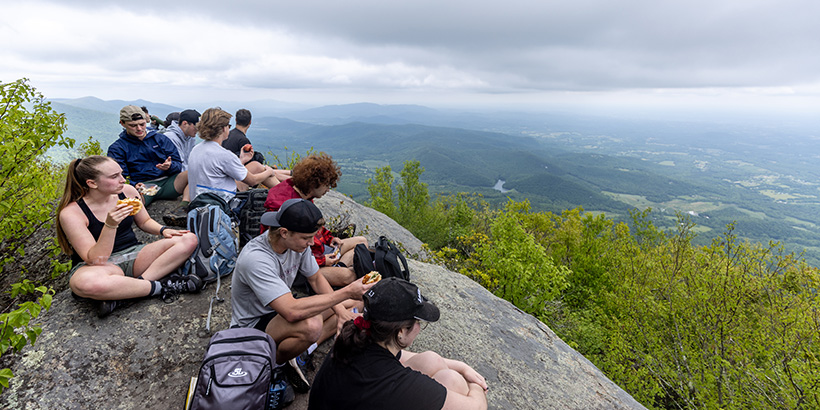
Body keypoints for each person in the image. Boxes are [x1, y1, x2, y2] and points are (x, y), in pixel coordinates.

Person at [230, 198, 373, 393]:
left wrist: (340, 311)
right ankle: (275, 365)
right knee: (312, 324)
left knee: (354, 303)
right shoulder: (256, 259)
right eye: (307, 238)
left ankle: (300, 352)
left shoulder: (296, 245)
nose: (311, 242)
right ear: (284, 232)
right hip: (253, 326)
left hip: (280, 309)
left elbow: (315, 279)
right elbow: (290, 311)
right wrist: (345, 291)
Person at [308, 277, 488, 410]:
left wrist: (462, 366)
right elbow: (477, 407)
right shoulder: (395, 384)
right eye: (417, 322)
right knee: (455, 382)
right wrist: (477, 386)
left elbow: (409, 358)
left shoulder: (356, 338)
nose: (418, 327)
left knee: (432, 360)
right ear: (401, 331)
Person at [56, 156, 202, 317]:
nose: (122, 180)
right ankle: (160, 287)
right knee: (84, 284)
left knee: (189, 239)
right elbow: (95, 259)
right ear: (92, 183)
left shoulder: (127, 192)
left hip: (134, 255)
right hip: (99, 267)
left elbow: (144, 221)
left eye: (121, 174)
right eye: (114, 177)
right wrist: (110, 225)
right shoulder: (72, 213)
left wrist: (163, 230)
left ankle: (130, 291)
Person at [265, 153, 368, 287]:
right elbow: (290, 247)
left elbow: (313, 226)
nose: (328, 189)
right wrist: (321, 261)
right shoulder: (287, 205)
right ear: (315, 183)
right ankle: (335, 272)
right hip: (301, 265)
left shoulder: (303, 196)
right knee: (349, 275)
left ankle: (337, 267)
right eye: (327, 185)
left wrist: (329, 238)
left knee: (362, 242)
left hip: (317, 252)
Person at [187, 107, 278, 202]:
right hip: (221, 204)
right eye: (228, 126)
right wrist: (269, 171)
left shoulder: (196, 149)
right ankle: (287, 195)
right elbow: (253, 181)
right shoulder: (224, 155)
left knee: (255, 166)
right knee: (257, 167)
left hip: (198, 202)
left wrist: (241, 160)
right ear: (223, 129)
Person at [107, 105, 190, 207]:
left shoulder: (160, 139)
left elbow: (178, 164)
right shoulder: (117, 148)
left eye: (142, 124)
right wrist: (133, 185)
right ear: (122, 123)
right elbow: (119, 176)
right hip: (142, 187)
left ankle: (183, 208)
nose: (139, 129)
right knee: (132, 204)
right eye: (133, 125)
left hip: (167, 182)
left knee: (193, 174)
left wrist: (170, 166)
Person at [221, 108, 291, 189]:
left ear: (236, 120)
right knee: (260, 168)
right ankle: (290, 182)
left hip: (229, 174)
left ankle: (291, 175)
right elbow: (249, 168)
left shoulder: (228, 135)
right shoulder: (243, 140)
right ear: (250, 122)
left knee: (263, 169)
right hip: (236, 178)